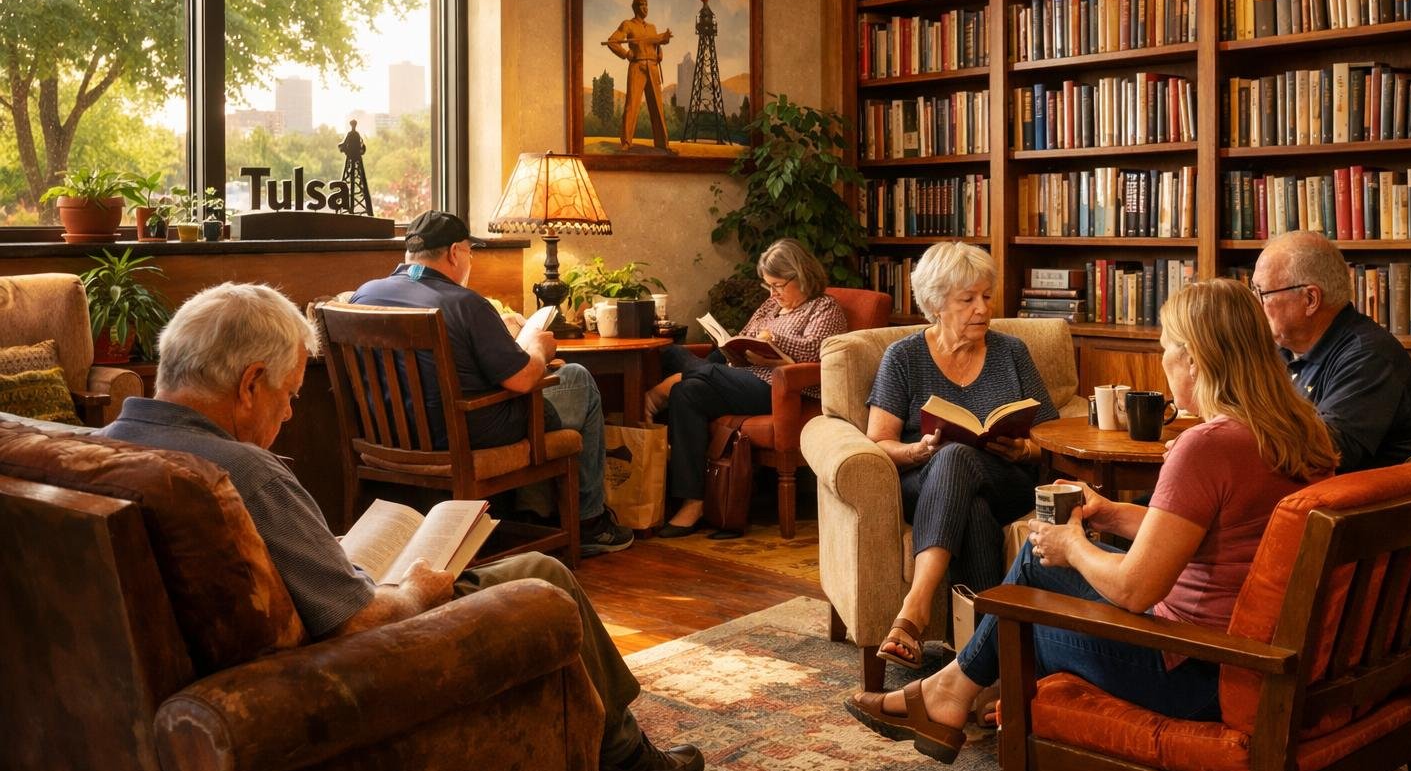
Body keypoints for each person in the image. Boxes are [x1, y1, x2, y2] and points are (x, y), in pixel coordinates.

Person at [101, 283, 704, 771]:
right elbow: (360, 620)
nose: (288, 411)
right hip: (338, 663)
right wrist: (418, 588)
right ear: (250, 382)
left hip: (192, 693)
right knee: (543, 574)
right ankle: (623, 759)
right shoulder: (244, 473)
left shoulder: (101, 448)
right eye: (288, 394)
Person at [845, 278, 1338, 771]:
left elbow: (1135, 589)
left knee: (1028, 604)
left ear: (1196, 360)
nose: (1164, 360)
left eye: (1167, 347)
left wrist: (1075, 545)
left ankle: (968, 713)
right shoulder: (1298, 429)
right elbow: (1217, 532)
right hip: (1263, 658)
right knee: (1041, 564)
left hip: (1200, 673)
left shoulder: (1207, 446)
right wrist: (1106, 515)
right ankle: (982, 725)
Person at [348, 210, 633, 557]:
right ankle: (589, 522)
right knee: (577, 378)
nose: (470, 261)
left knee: (551, 388)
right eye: (470, 252)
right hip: (467, 432)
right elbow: (522, 379)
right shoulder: (465, 303)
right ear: (455, 252)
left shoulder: (364, 296)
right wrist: (538, 349)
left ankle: (535, 511)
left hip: (385, 433)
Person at [862, 241, 1058, 674]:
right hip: (926, 480)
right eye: (967, 299)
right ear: (935, 304)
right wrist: (917, 449)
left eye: (986, 296)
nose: (982, 309)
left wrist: (1023, 447)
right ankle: (986, 664)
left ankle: (913, 613)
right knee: (965, 492)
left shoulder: (1011, 352)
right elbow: (879, 442)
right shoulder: (904, 357)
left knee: (959, 460)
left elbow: (1051, 435)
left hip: (1006, 477)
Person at [646, 238, 848, 538]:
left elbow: (816, 350)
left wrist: (772, 342)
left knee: (695, 376)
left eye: (778, 285)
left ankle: (661, 390)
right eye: (769, 285)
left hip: (775, 389)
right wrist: (738, 348)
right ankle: (694, 502)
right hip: (739, 376)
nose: (773, 293)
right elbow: (743, 337)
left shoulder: (823, 308)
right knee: (682, 379)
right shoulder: (770, 306)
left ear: (801, 274)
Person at [1252, 230, 1411, 471]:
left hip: (1378, 501)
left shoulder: (1369, 356)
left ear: (1310, 299)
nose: (1254, 303)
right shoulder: (1283, 347)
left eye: (1262, 293)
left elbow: (1323, 455)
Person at [603, 0, 672, 153]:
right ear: (635, 8)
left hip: (653, 68)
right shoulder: (628, 24)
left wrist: (660, 53)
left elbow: (656, 45)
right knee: (632, 104)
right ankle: (626, 142)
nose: (645, 8)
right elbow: (612, 41)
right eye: (642, 5)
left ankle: (662, 143)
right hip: (637, 67)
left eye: (647, 5)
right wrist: (626, 54)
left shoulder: (652, 28)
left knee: (657, 106)